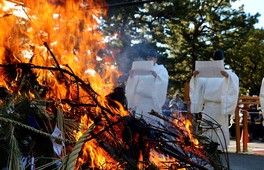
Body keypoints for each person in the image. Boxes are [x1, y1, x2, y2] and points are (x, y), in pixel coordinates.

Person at [189, 50, 239, 151]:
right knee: (207, 126)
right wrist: (195, 76)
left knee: (219, 127)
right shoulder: (207, 73)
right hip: (208, 105)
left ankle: (219, 147)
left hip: (220, 105)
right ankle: (208, 145)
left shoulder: (228, 73)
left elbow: (234, 81)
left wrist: (228, 77)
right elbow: (199, 84)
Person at [125, 50, 169, 127]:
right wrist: (132, 75)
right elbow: (134, 80)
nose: (151, 59)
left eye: (152, 58)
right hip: (140, 100)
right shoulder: (142, 68)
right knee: (139, 123)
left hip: (151, 101)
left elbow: (163, 80)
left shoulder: (161, 69)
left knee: (153, 123)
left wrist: (156, 76)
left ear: (156, 59)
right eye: (149, 58)